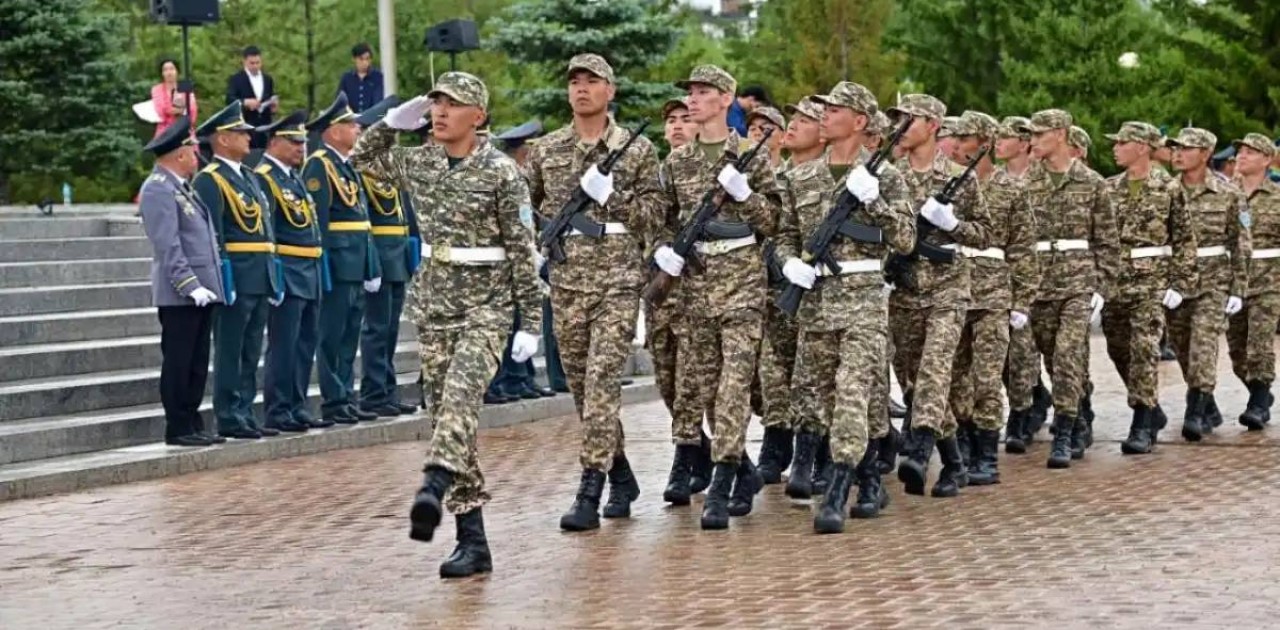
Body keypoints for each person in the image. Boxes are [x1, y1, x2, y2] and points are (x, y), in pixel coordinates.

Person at [354, 71, 544, 578]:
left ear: (478, 117)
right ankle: (472, 540)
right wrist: (389, 125)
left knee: (461, 399)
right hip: (435, 307)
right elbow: (360, 162)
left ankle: (433, 485)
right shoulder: (421, 161)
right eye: (435, 103)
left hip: (488, 306)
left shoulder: (502, 173)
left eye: (452, 104)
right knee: (446, 420)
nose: (439, 112)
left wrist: (530, 321)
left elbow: (524, 252)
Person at [525, 54, 665, 531]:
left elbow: (654, 216)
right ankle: (622, 474)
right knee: (583, 389)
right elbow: (524, 210)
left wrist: (612, 197)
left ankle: (590, 486)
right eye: (574, 82)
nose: (581, 89)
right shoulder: (546, 150)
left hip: (618, 279)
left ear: (611, 90)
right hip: (567, 281)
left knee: (603, 380)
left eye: (592, 81)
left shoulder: (638, 150)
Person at [775, 83, 914, 532]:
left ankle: (836, 491)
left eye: (836, 109)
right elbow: (783, 236)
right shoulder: (799, 178)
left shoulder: (885, 176)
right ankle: (871, 474)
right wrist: (788, 263)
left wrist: (874, 202)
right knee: (838, 401)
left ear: (859, 121)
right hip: (816, 303)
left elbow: (906, 240)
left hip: (864, 301)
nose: (826, 114)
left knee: (854, 392)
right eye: (826, 108)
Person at [656, 65, 783, 529]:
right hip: (696, 285)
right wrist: (662, 250)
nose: (693, 99)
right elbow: (663, 219)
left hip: (743, 280)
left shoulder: (750, 155)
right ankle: (738, 470)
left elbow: (773, 221)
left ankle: (724, 480)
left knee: (734, 385)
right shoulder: (676, 161)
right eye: (690, 91)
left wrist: (745, 195)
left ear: (727, 97)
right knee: (704, 387)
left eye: (704, 91)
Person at [884, 94, 988, 497]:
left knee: (934, 370)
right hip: (905, 291)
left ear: (932, 125)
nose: (901, 127)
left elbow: (984, 233)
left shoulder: (959, 177)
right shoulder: (889, 177)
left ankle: (919, 447)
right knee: (913, 381)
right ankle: (956, 462)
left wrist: (954, 224)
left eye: (909, 120)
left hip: (948, 287)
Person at [1023, 109, 1120, 469]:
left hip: (1079, 283)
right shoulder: (1024, 183)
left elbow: (1107, 241)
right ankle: (1078, 415)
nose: (1032, 140)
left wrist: (1102, 288)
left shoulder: (1093, 183)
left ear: (1061, 134)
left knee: (1067, 355)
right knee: (1053, 358)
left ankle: (1062, 433)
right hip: (1038, 285)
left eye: (1039, 133)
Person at [946, 111, 1039, 485]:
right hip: (952, 291)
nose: (955, 144)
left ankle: (987, 453)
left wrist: (1022, 301)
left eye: (965, 138)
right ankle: (964, 443)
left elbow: (1023, 248)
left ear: (983, 143)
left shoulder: (1011, 189)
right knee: (955, 377)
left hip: (993, 295)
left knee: (986, 378)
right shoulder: (947, 185)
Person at [1099, 121, 1194, 454]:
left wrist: (1181, 282)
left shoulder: (1169, 189)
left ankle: (1141, 423)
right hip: (1115, 282)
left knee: (1143, 348)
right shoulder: (1108, 188)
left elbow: (1184, 240)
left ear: (1141, 147)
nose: (1115, 147)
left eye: (1122, 142)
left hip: (1152, 281)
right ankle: (1152, 409)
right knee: (1117, 348)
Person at [192, 102, 283, 440]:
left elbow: (266, 230)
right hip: (236, 276)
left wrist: (273, 274)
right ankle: (228, 413)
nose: (249, 138)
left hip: (258, 274)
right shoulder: (210, 180)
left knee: (250, 349)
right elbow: (212, 236)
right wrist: (222, 279)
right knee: (230, 349)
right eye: (241, 133)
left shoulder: (250, 178)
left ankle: (244, 410)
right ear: (223, 139)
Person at [138, 116, 226, 447]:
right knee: (179, 361)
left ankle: (193, 421)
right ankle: (178, 426)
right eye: (192, 148)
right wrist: (190, 285)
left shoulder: (179, 187)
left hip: (202, 291)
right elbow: (168, 245)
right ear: (179, 154)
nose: (198, 153)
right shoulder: (158, 189)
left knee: (196, 361)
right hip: (180, 294)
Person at [1165, 127, 1251, 440]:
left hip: (1213, 279)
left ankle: (1195, 410)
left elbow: (1241, 242)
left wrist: (1238, 287)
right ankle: (1208, 404)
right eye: (1175, 148)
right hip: (1175, 283)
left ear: (1205, 154)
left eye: (1186, 148)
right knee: (1182, 346)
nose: (1177, 153)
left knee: (1203, 343)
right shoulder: (1165, 191)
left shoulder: (1228, 193)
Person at [303, 92, 383, 424]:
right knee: (332, 335)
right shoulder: (319, 165)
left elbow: (363, 220)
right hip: (337, 263)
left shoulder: (347, 167)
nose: (356, 130)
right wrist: (322, 265)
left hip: (356, 261)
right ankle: (334, 399)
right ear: (333, 131)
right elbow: (319, 222)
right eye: (350, 124)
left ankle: (345, 396)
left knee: (349, 335)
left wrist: (371, 264)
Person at [253, 110, 334, 433]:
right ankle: (278, 408)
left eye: (303, 141)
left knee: (304, 344)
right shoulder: (264, 177)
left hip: (309, 269)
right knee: (284, 345)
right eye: (294, 141)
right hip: (287, 269)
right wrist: (273, 277)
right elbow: (268, 231)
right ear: (274, 143)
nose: (302, 147)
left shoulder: (291, 177)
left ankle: (297, 404)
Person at [356, 96, 422, 417]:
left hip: (397, 258)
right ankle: (373, 392)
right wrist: (371, 263)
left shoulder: (388, 171)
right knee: (377, 329)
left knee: (391, 330)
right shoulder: (363, 171)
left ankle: (387, 389)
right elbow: (364, 222)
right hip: (380, 258)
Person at [1226, 133, 1279, 429]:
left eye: (1250, 151)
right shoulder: (1224, 193)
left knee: (1260, 343)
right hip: (1234, 282)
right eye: (1240, 151)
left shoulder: (1277, 196)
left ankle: (1258, 404)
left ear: (1267, 159)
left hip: (1269, 281)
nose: (1241, 156)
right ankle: (1259, 392)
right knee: (1236, 349)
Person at [225, 46, 277, 149]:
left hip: (265, 127)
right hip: (246, 127)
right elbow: (229, 99)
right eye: (252, 63)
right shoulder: (236, 79)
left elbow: (269, 97)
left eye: (258, 63)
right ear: (244, 62)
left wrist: (273, 106)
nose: (255, 66)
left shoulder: (268, 79)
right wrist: (245, 102)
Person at [151, 58, 197, 138]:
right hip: (165, 131)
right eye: (165, 70)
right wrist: (181, 110)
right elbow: (161, 111)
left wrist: (180, 111)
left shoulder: (185, 86)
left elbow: (192, 111)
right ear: (162, 73)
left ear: (177, 71)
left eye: (172, 69)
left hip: (184, 129)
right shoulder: (157, 89)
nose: (169, 73)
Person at [338, 43, 385, 114]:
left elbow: (378, 100)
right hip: (351, 120)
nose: (365, 62)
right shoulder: (347, 78)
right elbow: (341, 100)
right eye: (361, 59)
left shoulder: (378, 77)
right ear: (354, 59)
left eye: (367, 59)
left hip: (372, 119)